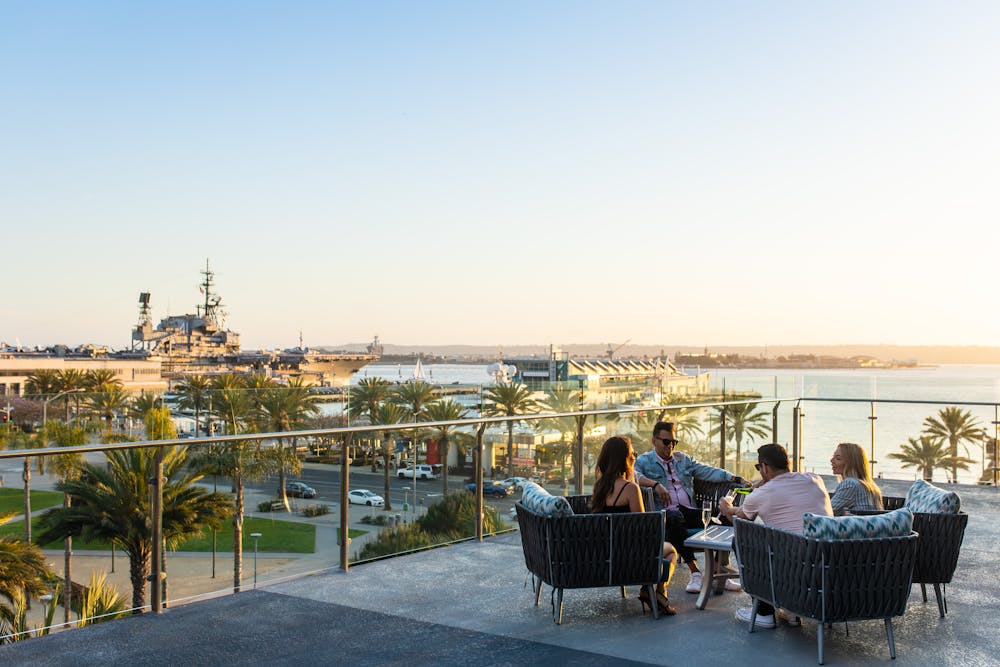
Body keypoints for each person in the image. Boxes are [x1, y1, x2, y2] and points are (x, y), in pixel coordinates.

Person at [718, 443, 833, 628]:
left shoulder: (762, 493)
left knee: (741, 541)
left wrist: (727, 509)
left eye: (759, 467)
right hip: (828, 566)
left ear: (764, 467)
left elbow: (741, 523)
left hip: (791, 572)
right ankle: (792, 611)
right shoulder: (814, 479)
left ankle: (764, 612)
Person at [634, 421, 747, 595]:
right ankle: (695, 572)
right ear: (654, 441)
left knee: (726, 515)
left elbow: (706, 470)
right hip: (666, 513)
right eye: (666, 441)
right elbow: (634, 475)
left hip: (689, 509)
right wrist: (655, 484)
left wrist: (734, 478)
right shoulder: (644, 461)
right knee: (673, 520)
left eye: (673, 442)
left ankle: (717, 572)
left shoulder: (682, 459)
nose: (670, 446)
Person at [591, 435, 678, 615]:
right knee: (671, 551)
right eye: (632, 454)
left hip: (604, 554)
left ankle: (654, 593)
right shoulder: (630, 489)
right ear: (625, 458)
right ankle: (658, 592)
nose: (634, 457)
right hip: (630, 557)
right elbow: (643, 529)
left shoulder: (599, 486)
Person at [829, 442, 884, 515]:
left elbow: (826, 511)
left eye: (838, 458)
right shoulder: (871, 487)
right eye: (833, 457)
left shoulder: (850, 484)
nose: (832, 460)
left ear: (850, 463)